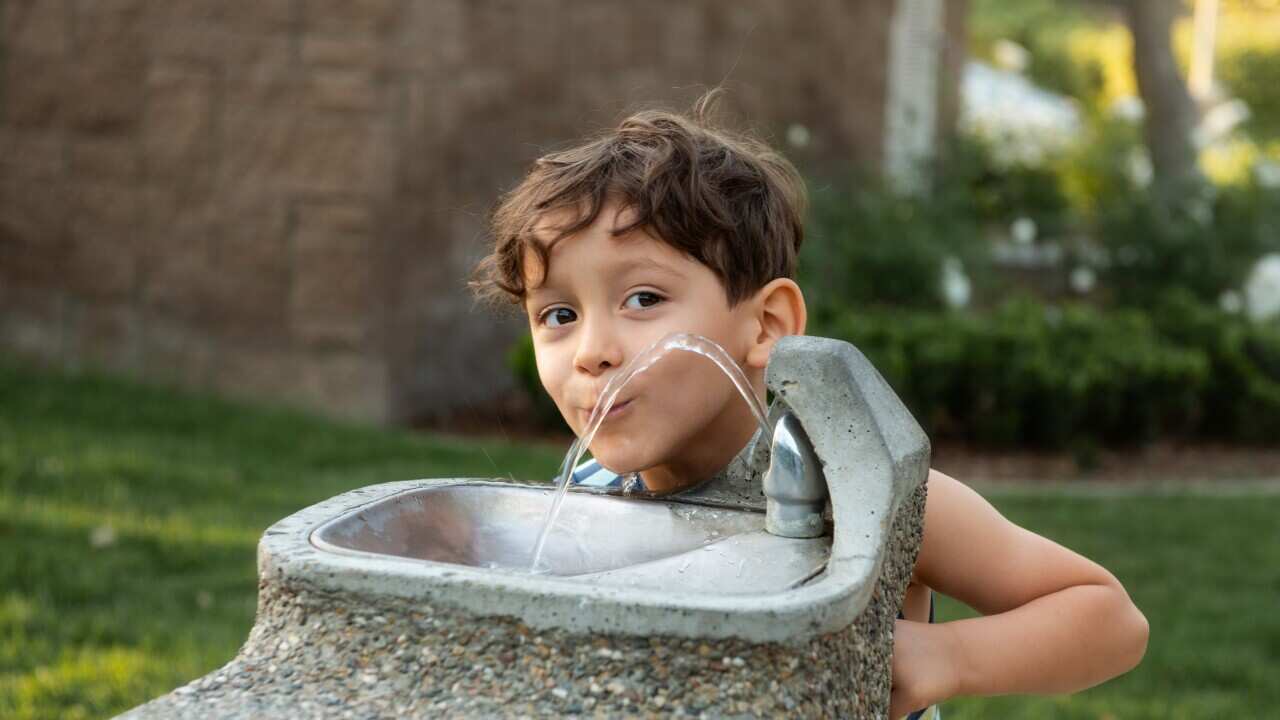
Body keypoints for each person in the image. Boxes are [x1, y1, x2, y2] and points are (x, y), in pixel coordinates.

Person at [468, 90, 1148, 719]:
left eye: (643, 299)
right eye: (558, 314)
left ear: (765, 325)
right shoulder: (589, 503)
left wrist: (943, 657)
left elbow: (1108, 618)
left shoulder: (857, 494)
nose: (592, 351)